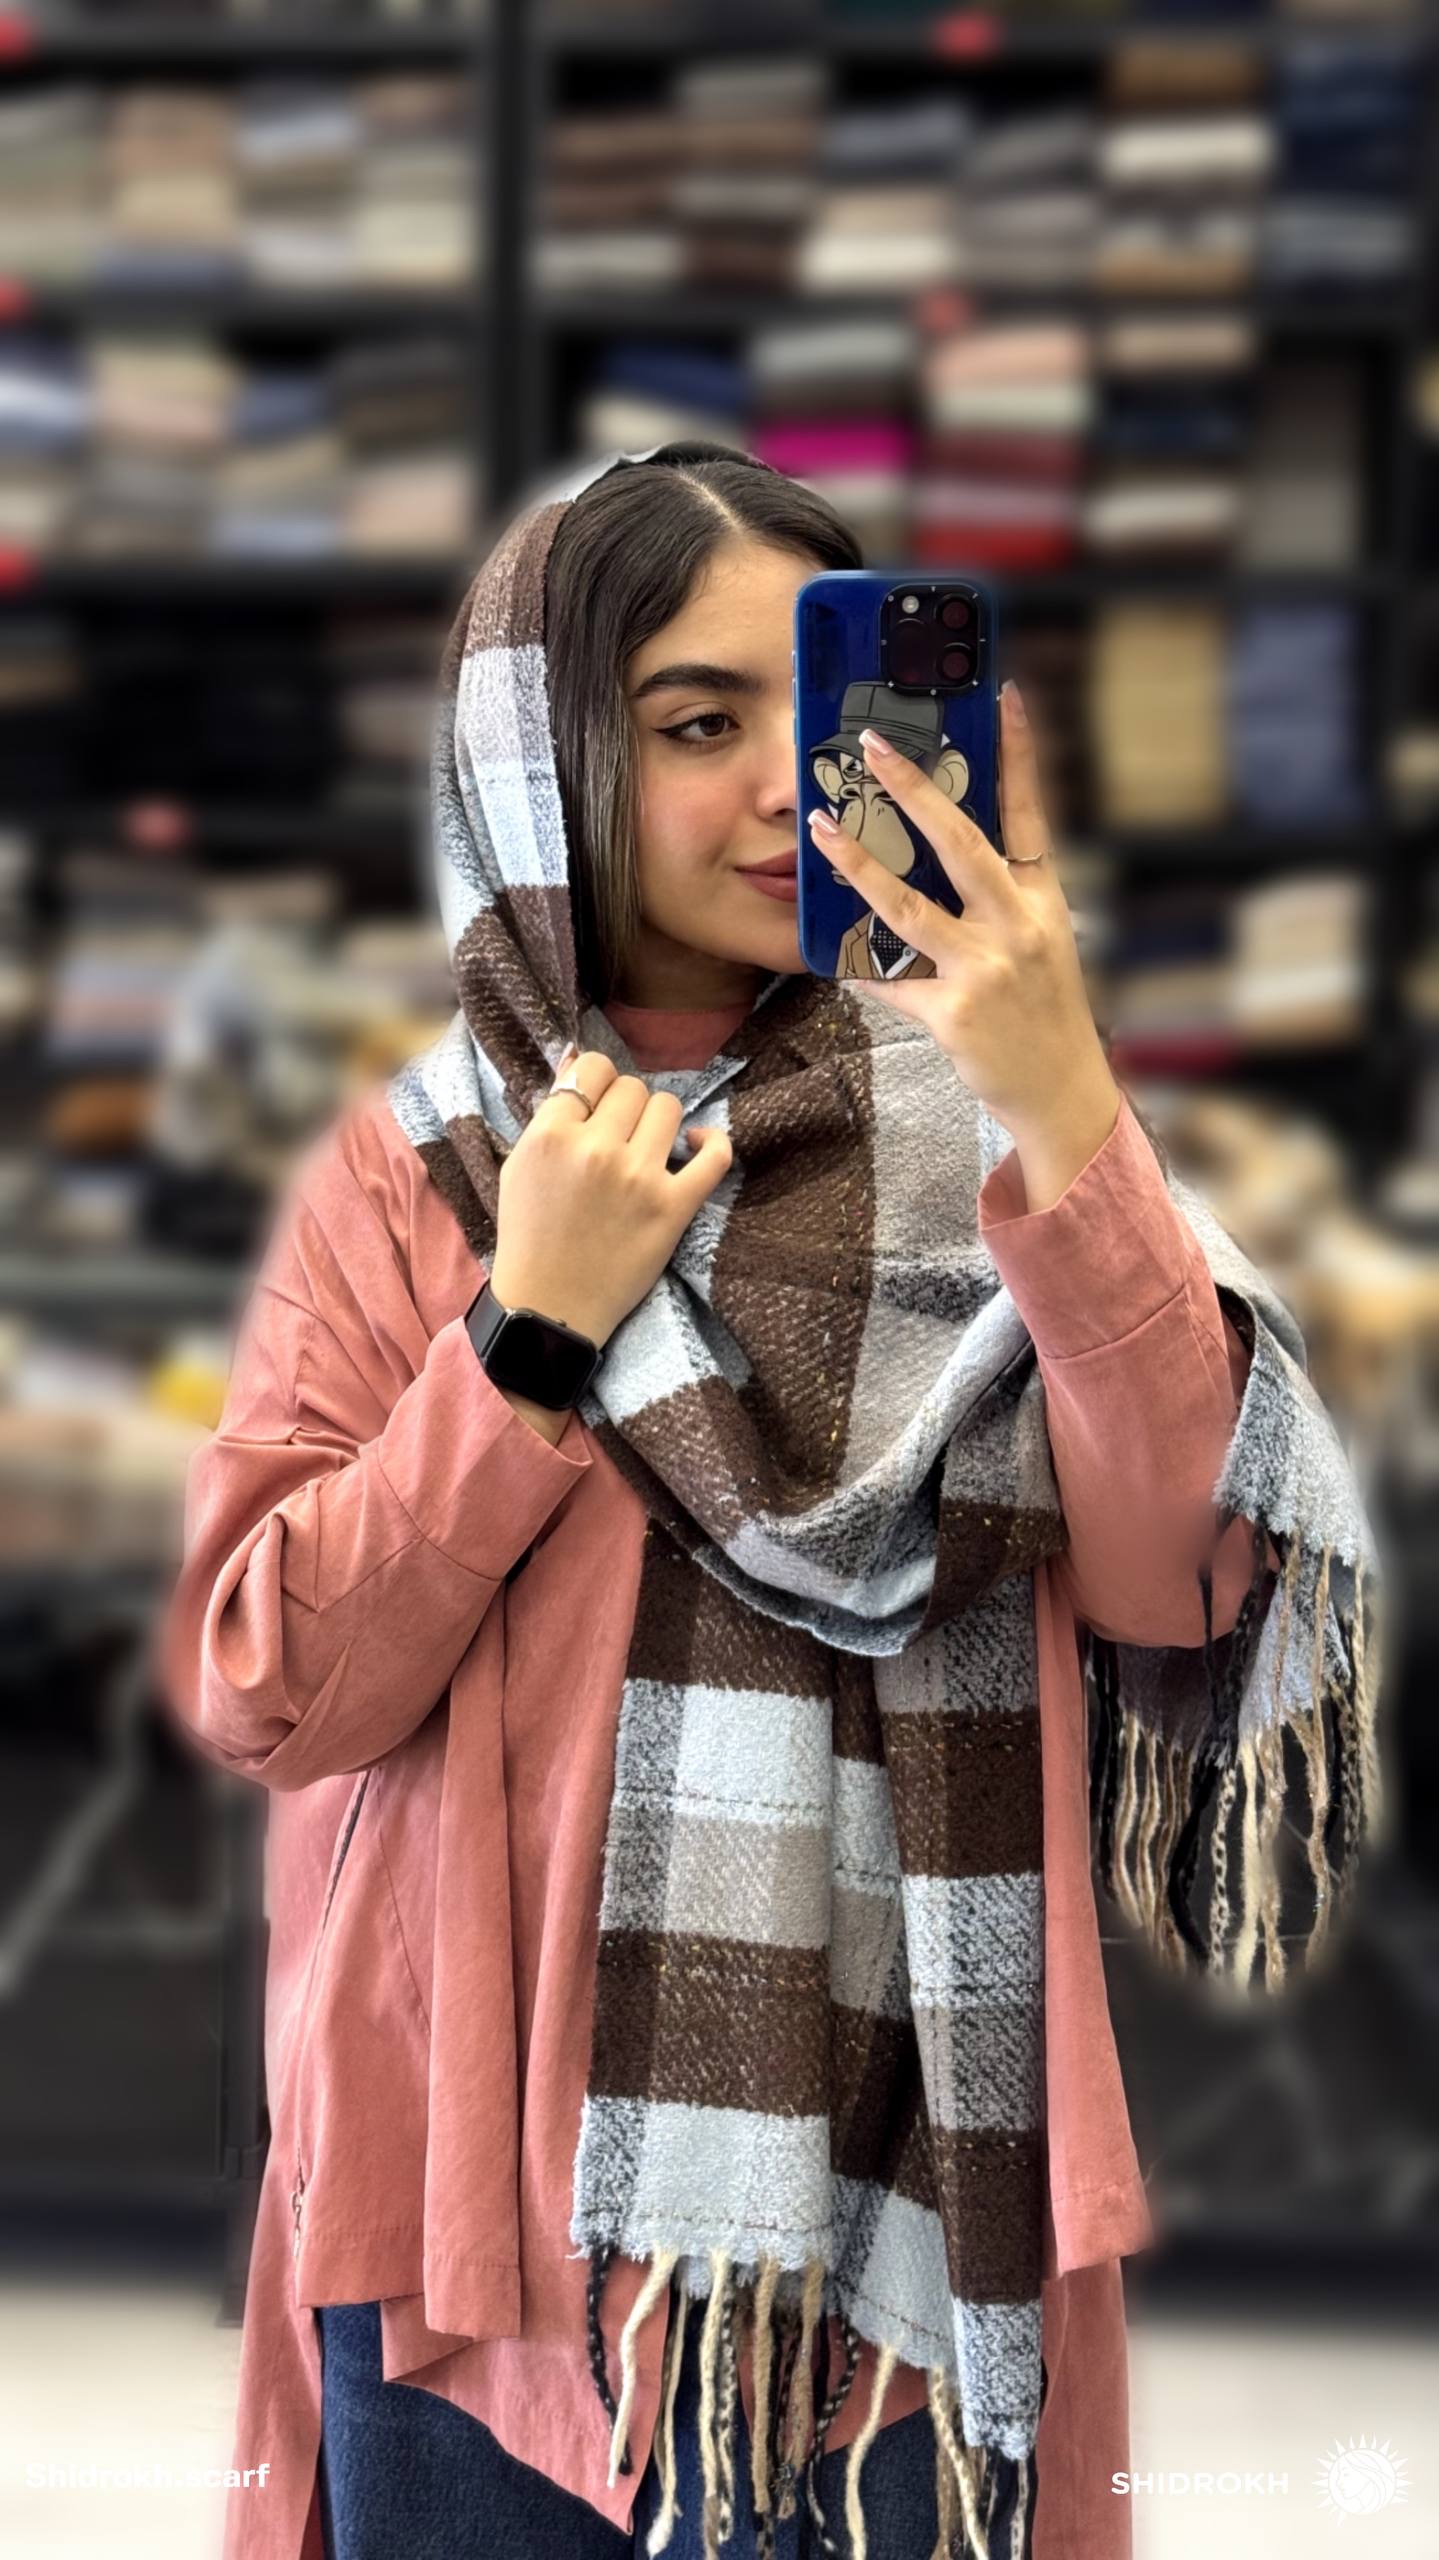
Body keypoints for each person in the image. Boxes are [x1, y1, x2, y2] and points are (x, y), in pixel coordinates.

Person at [161, 442, 1381, 2560]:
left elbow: (1191, 1589)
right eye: (690, 722)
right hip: (477, 2239)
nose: (771, 795)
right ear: (546, 758)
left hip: (903, 2231)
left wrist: (1064, 1101)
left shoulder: (999, 1138)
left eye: (808, 719)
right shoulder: (422, 1168)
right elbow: (275, 1684)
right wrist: (529, 1332)